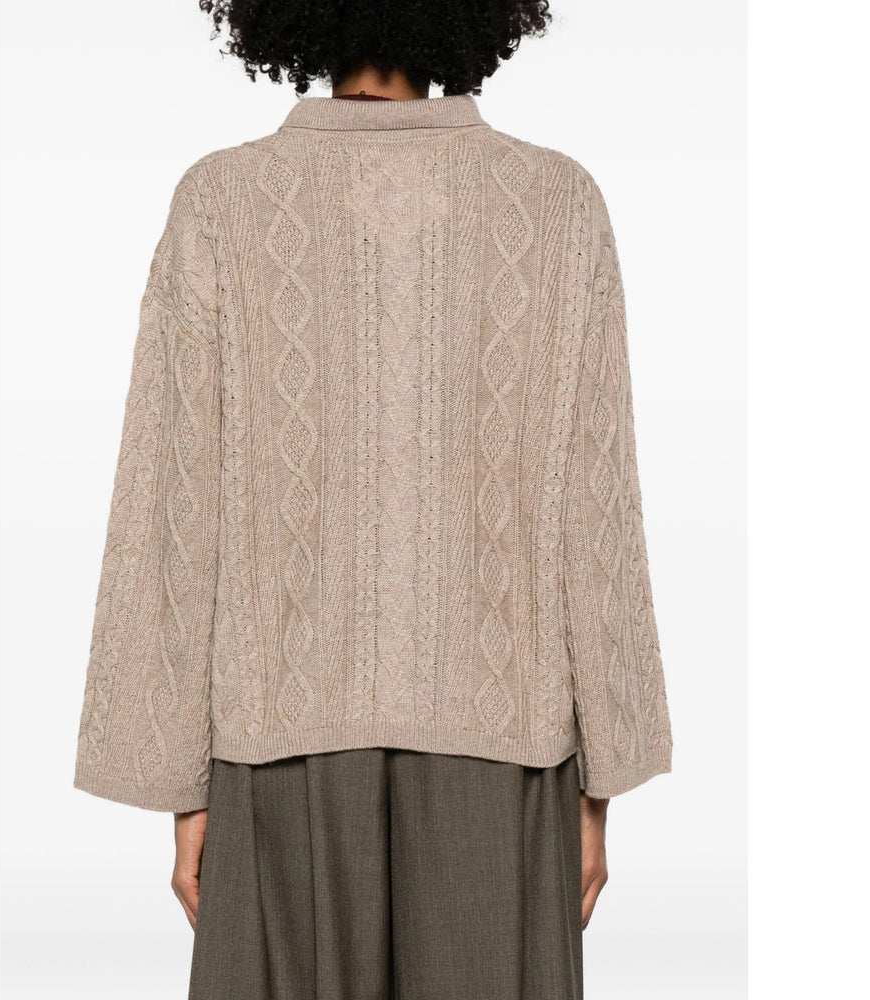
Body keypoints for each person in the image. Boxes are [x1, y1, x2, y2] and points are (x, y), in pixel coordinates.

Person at [73, 3, 674, 998]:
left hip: (279, 749)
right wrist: (602, 777)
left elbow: (174, 492)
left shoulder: (222, 200)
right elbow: (596, 501)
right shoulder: (556, 201)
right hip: (504, 753)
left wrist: (181, 782)